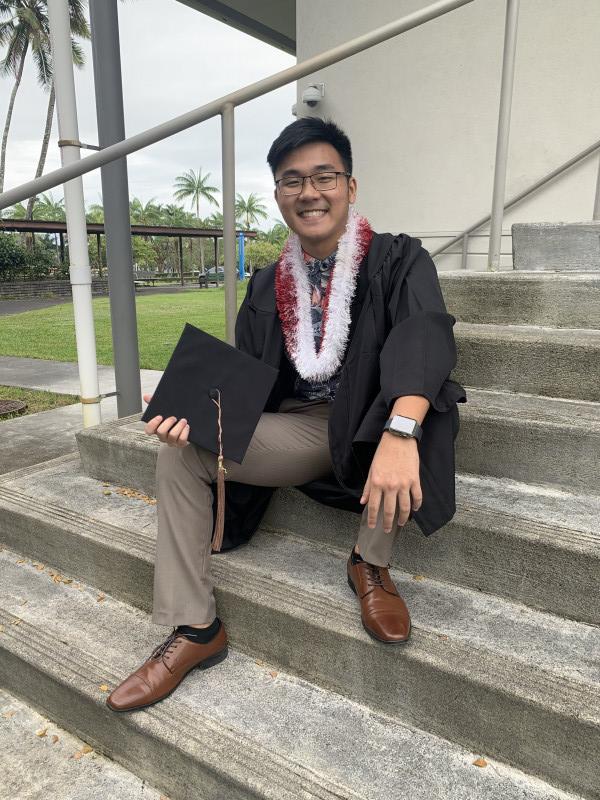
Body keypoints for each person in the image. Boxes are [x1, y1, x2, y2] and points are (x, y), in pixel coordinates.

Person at [106, 117, 466, 713]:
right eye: (292, 180)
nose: (309, 192)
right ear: (278, 196)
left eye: (324, 176)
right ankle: (196, 630)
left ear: (351, 187)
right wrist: (193, 407)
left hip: (372, 417)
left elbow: (422, 335)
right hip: (303, 425)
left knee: (413, 407)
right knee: (180, 452)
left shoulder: (399, 258)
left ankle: (369, 564)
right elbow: (247, 371)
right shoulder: (270, 280)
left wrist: (403, 428)